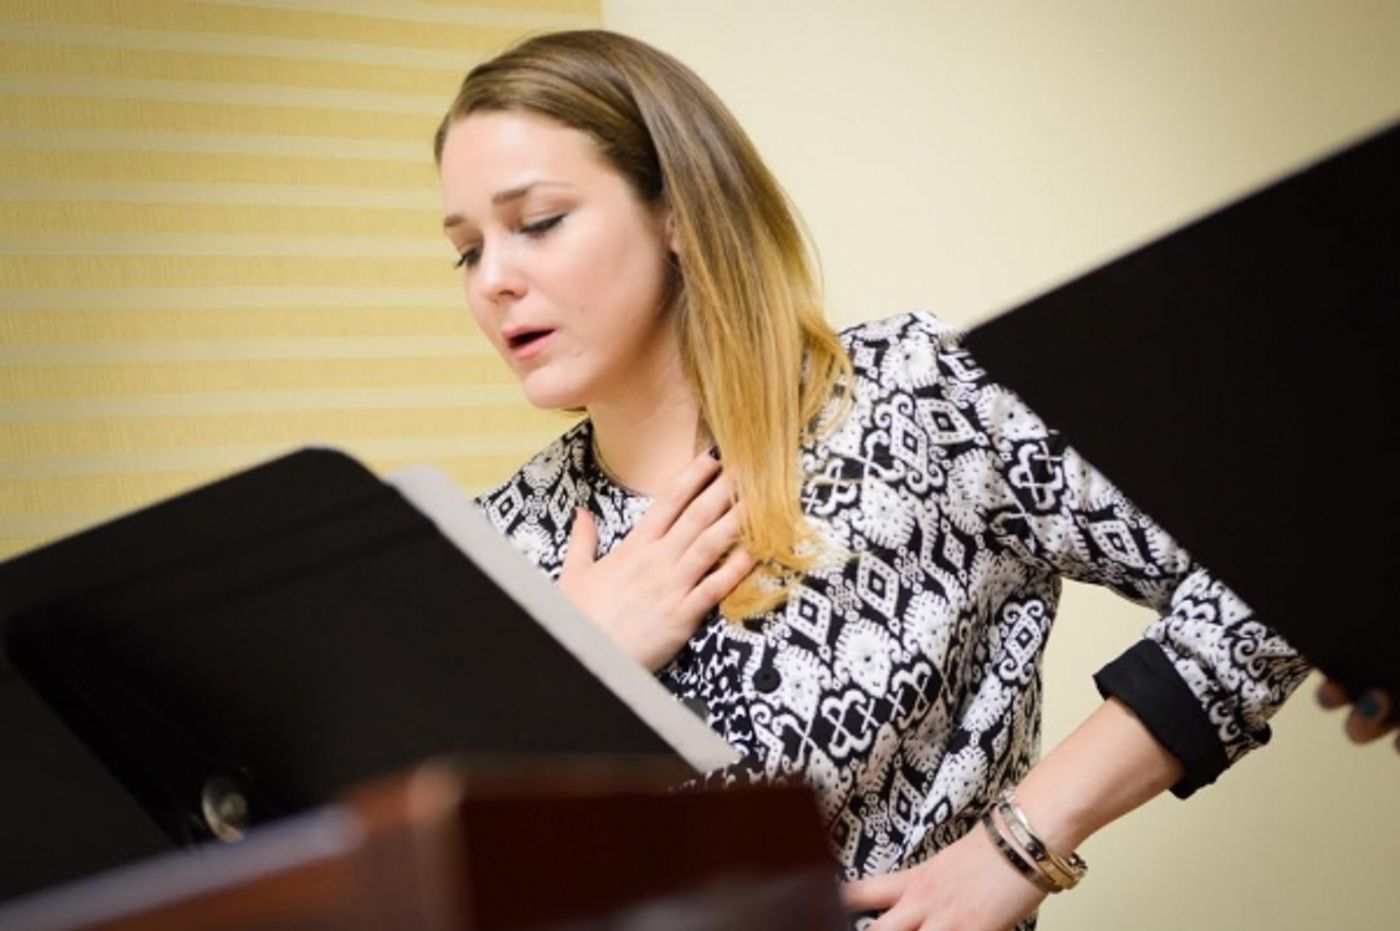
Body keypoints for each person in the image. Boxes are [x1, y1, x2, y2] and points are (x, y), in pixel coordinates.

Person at [434, 30, 1311, 930]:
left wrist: (1022, 841)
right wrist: (566, 681)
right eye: (466, 250)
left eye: (537, 222)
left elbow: (1284, 561)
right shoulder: (491, 547)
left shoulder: (912, 401)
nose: (493, 280)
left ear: (678, 213)